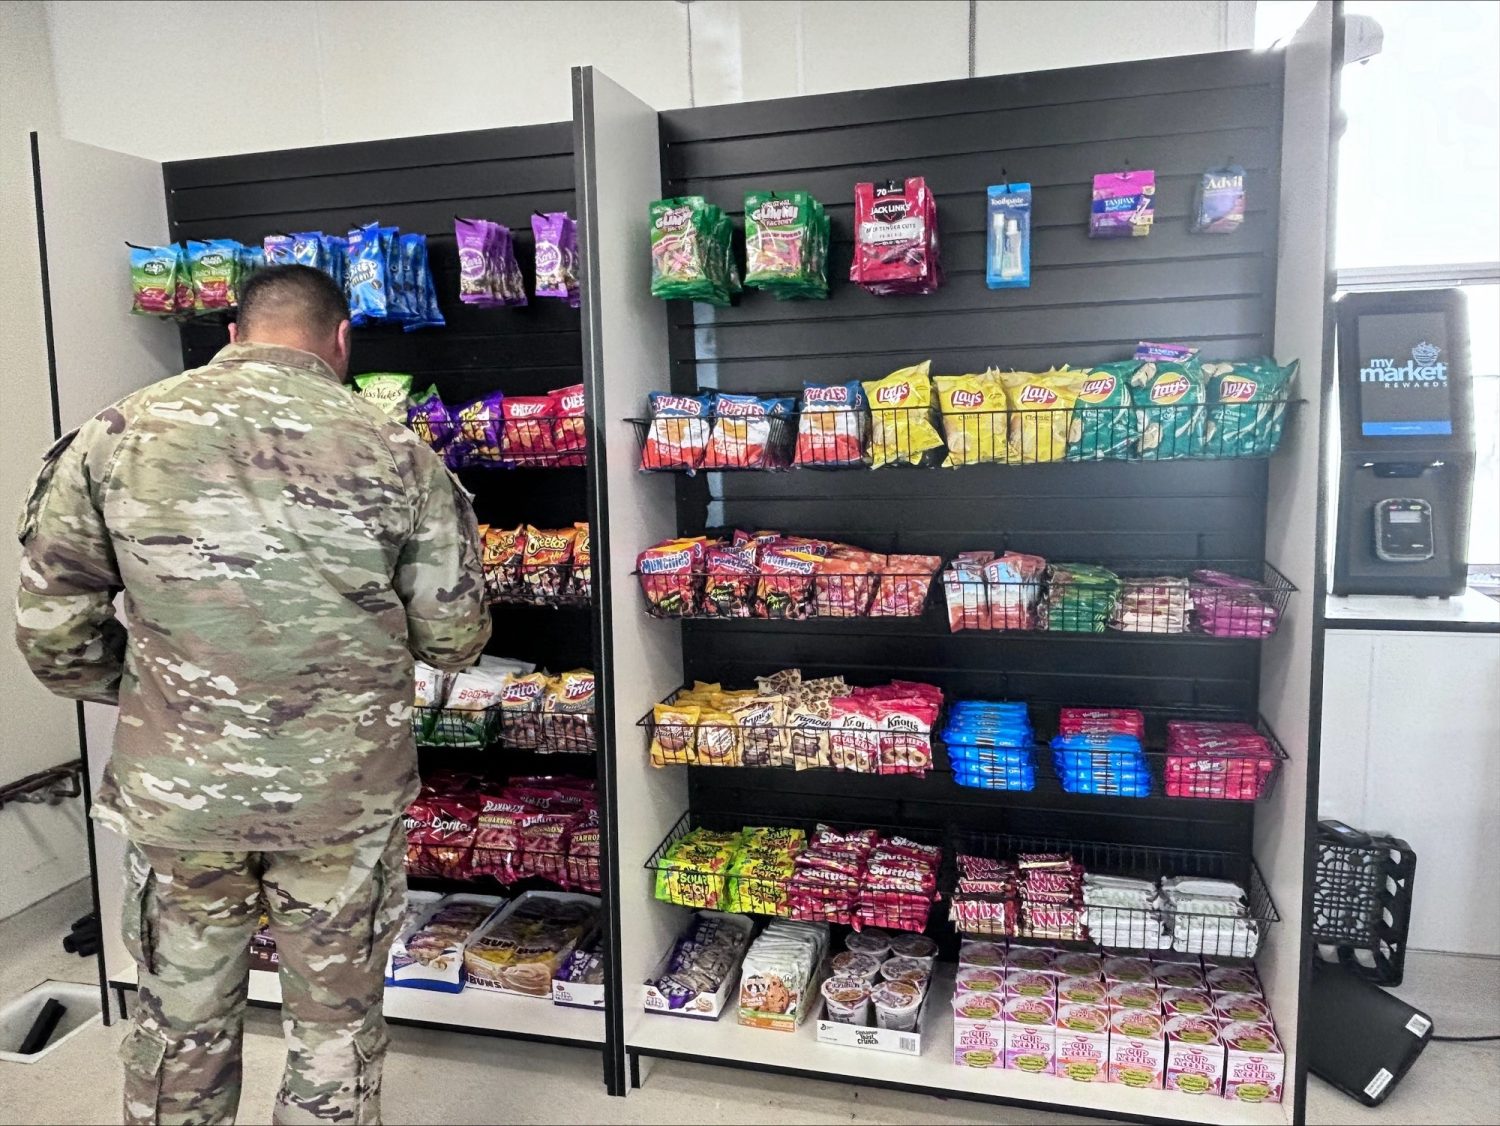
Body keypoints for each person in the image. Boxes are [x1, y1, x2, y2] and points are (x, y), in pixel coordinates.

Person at [15, 264, 491, 1125]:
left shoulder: (117, 433)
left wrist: (157, 693)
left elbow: (53, 627)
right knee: (335, 1032)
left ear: (231, 336)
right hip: (340, 801)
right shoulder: (396, 451)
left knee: (180, 1021)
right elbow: (453, 635)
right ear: (341, 341)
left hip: (183, 798)